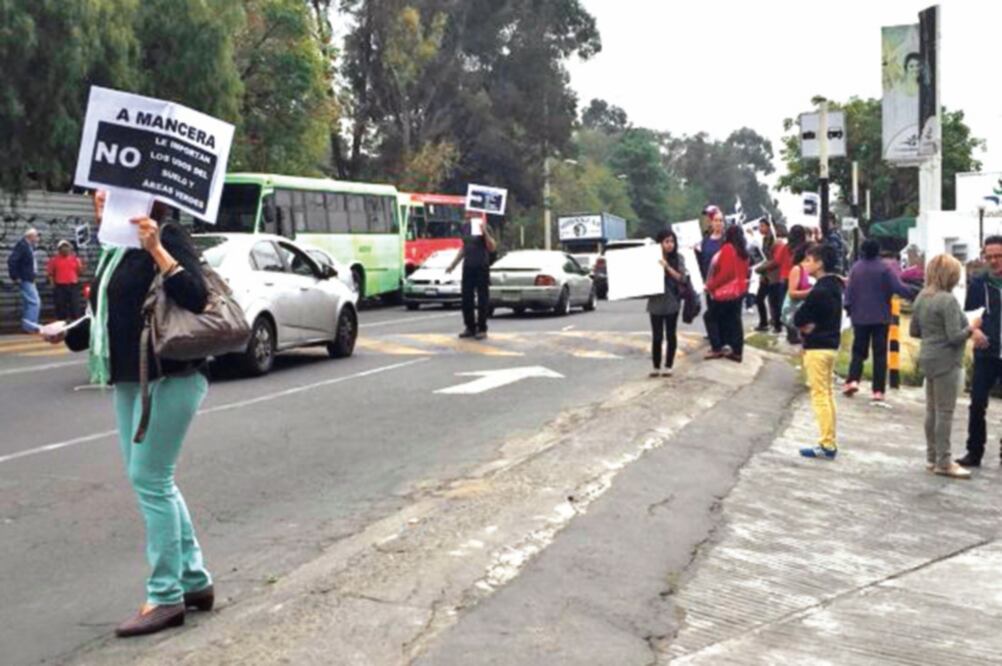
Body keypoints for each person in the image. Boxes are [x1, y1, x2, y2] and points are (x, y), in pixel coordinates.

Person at [43, 190, 215, 637]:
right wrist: (67, 333)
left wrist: (155, 248)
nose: (100, 195)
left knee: (151, 480)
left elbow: (196, 297)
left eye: (110, 189)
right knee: (154, 481)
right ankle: (194, 581)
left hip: (170, 376)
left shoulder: (167, 235)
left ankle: (166, 596)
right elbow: (106, 317)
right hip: (128, 379)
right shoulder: (113, 250)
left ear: (141, 196)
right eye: (96, 189)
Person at [910, 255, 977, 479]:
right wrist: (972, 328)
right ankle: (944, 461)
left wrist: (932, 334)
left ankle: (932, 457)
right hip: (947, 360)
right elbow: (954, 336)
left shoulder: (922, 297)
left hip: (927, 357)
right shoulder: (948, 301)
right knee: (945, 412)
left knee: (931, 411)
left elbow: (914, 331)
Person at [842, 238, 916, 401]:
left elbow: (849, 292)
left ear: (862, 251)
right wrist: (914, 292)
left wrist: (849, 308)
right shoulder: (884, 269)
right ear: (878, 252)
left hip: (860, 317)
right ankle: (878, 391)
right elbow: (898, 287)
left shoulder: (856, 268)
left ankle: (853, 380)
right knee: (880, 354)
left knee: (858, 351)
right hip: (881, 317)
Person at [794, 243, 844, 460]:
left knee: (820, 396)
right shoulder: (835, 287)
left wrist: (805, 325)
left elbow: (799, 318)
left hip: (817, 347)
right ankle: (829, 440)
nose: (805, 264)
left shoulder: (820, 291)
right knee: (828, 394)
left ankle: (827, 443)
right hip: (830, 345)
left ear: (820, 263)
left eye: (808, 260)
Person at [958, 236, 1002, 468]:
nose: (994, 261)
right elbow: (968, 314)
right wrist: (974, 332)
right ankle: (974, 451)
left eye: (999, 256)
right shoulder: (978, 283)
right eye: (989, 256)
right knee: (977, 403)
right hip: (986, 352)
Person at [446, 212, 496, 340]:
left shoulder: (485, 226)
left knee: (482, 298)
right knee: (466, 298)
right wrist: (453, 264)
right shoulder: (465, 227)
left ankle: (482, 328)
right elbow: (464, 248)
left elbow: (492, 247)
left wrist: (485, 232)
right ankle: (470, 327)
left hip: (481, 266)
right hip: (468, 266)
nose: (468, 215)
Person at [705, 224, 750, 362]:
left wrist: (710, 286)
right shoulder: (743, 251)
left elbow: (726, 274)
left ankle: (716, 348)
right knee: (735, 320)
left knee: (710, 317)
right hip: (739, 291)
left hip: (726, 292)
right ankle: (737, 351)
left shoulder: (728, 248)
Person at [647, 229, 687, 377]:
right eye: (666, 242)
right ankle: (656, 366)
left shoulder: (678, 258)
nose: (670, 245)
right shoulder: (651, 258)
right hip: (655, 302)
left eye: (672, 241)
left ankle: (669, 365)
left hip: (672, 301)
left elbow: (682, 278)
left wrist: (667, 267)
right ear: (660, 243)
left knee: (671, 334)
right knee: (657, 336)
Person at [696, 205, 725, 353]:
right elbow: (702, 260)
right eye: (715, 220)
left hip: (723, 282)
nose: (718, 223)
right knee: (711, 310)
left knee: (720, 313)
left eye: (720, 220)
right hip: (708, 282)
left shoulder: (726, 240)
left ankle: (721, 342)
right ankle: (715, 341)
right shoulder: (705, 240)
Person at [754, 218, 785, 333]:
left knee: (774, 302)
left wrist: (762, 268)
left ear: (769, 226)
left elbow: (776, 261)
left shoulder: (776, 241)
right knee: (759, 299)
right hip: (765, 276)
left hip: (774, 276)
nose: (760, 228)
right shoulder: (764, 239)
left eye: (762, 226)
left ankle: (777, 325)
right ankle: (763, 323)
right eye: (759, 226)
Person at [7, 227, 40, 332]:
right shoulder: (22, 246)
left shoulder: (28, 246)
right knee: (35, 302)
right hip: (25, 278)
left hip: (28, 278)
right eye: (36, 236)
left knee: (28, 303)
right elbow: (12, 260)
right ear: (30, 236)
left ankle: (28, 326)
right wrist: (15, 276)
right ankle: (30, 326)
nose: (38, 238)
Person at [783, 225, 810, 344]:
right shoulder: (806, 247)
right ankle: (801, 332)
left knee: (788, 306)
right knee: (801, 306)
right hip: (801, 277)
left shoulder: (787, 247)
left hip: (786, 277)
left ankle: (791, 334)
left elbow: (779, 260)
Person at [47, 240, 85, 321]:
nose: (65, 249)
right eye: (63, 248)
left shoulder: (75, 259)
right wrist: (53, 286)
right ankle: (61, 323)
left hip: (73, 285)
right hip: (60, 286)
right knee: (61, 307)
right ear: (59, 250)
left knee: (75, 306)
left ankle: (75, 323)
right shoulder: (54, 260)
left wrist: (80, 265)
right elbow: (50, 274)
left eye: (67, 247)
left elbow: (80, 272)